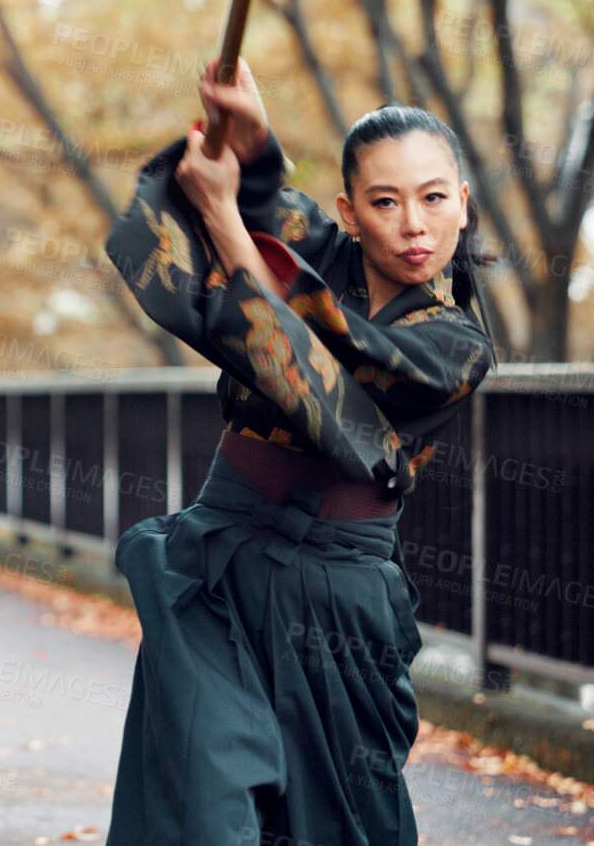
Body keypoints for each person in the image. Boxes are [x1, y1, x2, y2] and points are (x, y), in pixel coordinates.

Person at [101, 57, 495, 846]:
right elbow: (265, 213)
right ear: (351, 213)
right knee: (200, 808)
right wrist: (247, 141)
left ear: (461, 206)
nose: (412, 225)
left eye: (431, 198)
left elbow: (307, 373)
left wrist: (223, 220)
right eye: (385, 202)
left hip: (336, 598)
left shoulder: (455, 348)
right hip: (221, 563)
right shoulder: (328, 256)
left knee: (331, 826)